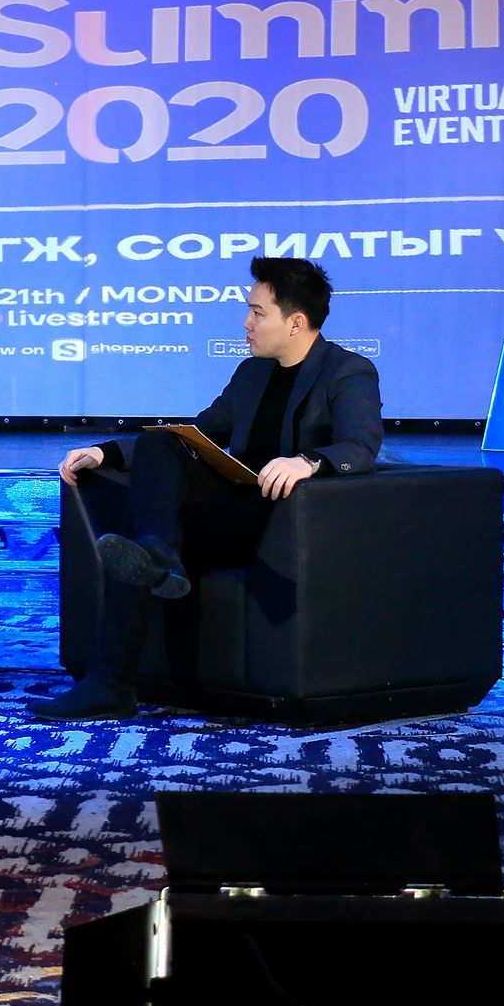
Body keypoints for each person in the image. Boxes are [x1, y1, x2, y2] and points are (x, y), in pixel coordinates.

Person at [34, 257, 382, 721]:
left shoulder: (348, 371)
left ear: (296, 322)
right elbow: (196, 434)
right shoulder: (251, 373)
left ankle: (111, 681)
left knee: (137, 533)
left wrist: (307, 461)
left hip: (280, 517)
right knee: (161, 446)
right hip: (227, 509)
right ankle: (157, 550)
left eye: (257, 312)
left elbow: (360, 446)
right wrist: (106, 452)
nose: (246, 323)